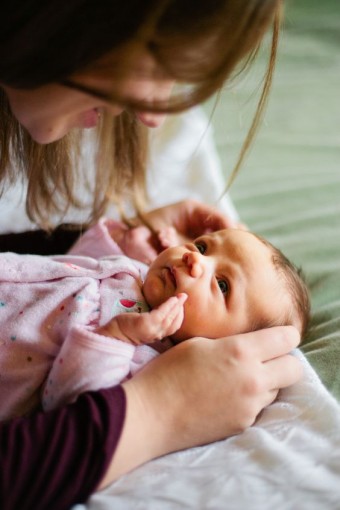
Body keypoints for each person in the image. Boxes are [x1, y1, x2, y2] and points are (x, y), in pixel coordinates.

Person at [0, 2, 303, 509]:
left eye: (222, 286)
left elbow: (71, 391)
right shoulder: (134, 286)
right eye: (204, 249)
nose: (153, 115)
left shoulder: (140, 354)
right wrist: (160, 412)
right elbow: (82, 266)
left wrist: (133, 235)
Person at [0, 216, 310, 420]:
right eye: (203, 246)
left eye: (222, 284)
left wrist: (119, 337)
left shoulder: (148, 361)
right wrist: (131, 234)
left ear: (228, 347)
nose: (195, 259)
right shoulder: (138, 270)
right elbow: (79, 255)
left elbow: (70, 404)